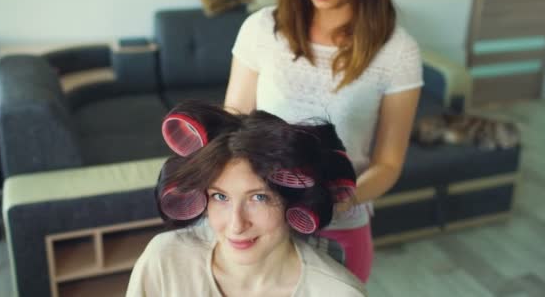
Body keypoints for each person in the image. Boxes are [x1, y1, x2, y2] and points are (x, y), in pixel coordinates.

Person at [224, 0, 422, 282]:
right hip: (257, 223)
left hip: (339, 227)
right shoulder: (260, 29)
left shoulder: (398, 52)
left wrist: (337, 203)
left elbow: (388, 163)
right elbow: (232, 126)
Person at [126, 101, 366, 296]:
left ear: (295, 201)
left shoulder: (339, 293)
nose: (236, 224)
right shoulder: (165, 259)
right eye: (220, 196)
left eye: (259, 198)